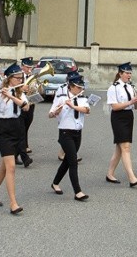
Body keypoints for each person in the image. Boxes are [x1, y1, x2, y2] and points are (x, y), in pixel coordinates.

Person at [0, 63, 28, 214]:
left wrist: (11, 96)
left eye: (20, 78)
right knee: (11, 167)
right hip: (3, 130)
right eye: (17, 78)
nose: (20, 80)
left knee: (4, 167)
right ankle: (13, 203)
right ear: (9, 79)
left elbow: (25, 107)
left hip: (17, 129)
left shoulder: (19, 93)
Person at [50, 72, 90, 201]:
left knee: (67, 161)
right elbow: (50, 114)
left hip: (78, 133)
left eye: (81, 87)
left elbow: (87, 110)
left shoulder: (82, 98)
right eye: (78, 87)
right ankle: (78, 192)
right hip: (65, 133)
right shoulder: (61, 98)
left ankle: (55, 183)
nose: (80, 89)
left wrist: (73, 106)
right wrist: (56, 111)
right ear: (71, 86)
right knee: (73, 162)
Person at [105, 62, 137, 187]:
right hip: (118, 117)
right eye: (127, 73)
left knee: (119, 149)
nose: (129, 75)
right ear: (120, 74)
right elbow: (114, 106)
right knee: (125, 147)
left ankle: (110, 174)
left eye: (130, 73)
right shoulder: (113, 88)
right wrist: (130, 101)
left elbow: (135, 107)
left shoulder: (131, 87)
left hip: (128, 116)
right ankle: (132, 178)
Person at [15, 57, 35, 167]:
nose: (29, 69)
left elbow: (37, 89)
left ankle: (15, 154)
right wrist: (22, 88)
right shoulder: (17, 76)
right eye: (27, 67)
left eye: (30, 67)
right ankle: (24, 157)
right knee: (21, 131)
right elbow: (12, 88)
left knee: (25, 128)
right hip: (20, 106)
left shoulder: (32, 77)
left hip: (30, 105)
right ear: (22, 66)